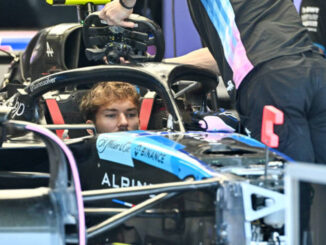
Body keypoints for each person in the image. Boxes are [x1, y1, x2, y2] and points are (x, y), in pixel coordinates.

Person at [99, 0, 326, 165]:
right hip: (313, 74)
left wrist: (124, 5)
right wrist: (157, 65)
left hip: (272, 83)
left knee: (288, 196)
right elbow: (225, 56)